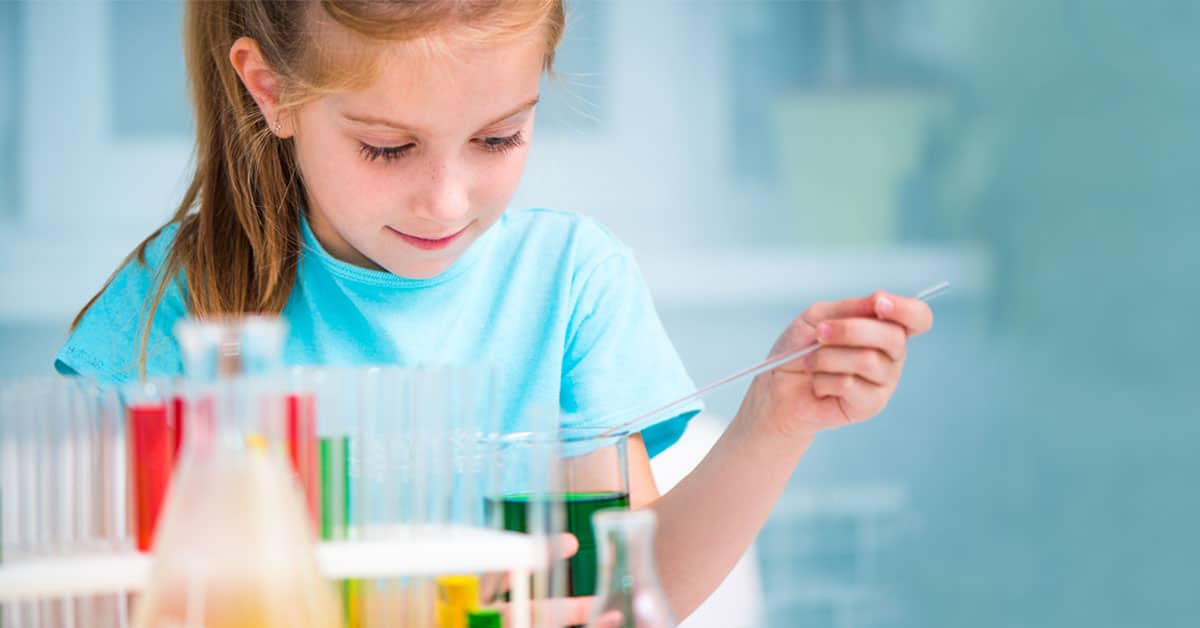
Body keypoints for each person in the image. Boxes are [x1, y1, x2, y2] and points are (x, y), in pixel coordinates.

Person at [57, 1, 933, 623]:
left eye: (498, 138)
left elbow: (625, 584)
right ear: (269, 89)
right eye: (388, 147)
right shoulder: (175, 309)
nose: (445, 201)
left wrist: (773, 423)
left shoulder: (568, 284)